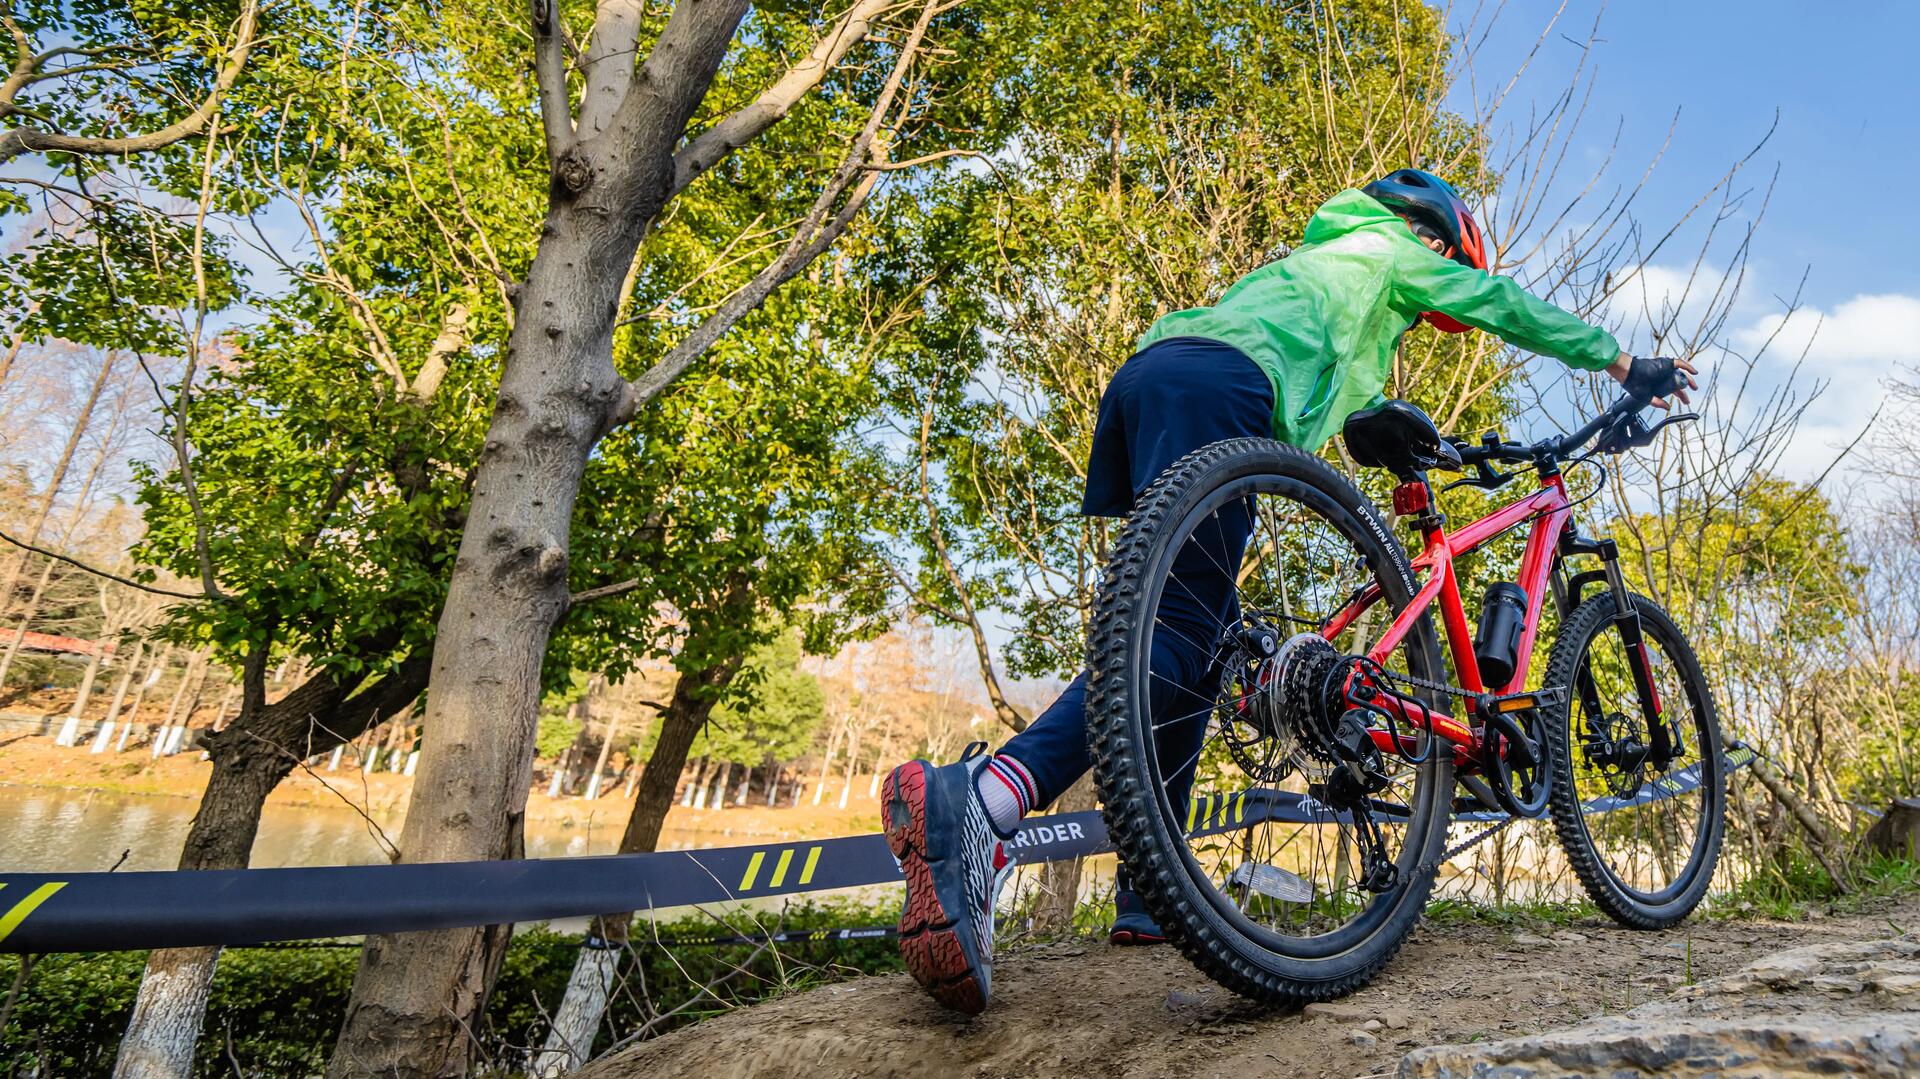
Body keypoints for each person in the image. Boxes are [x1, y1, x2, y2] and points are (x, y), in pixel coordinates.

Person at [880, 168, 1699, 1014]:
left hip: (1154, 376)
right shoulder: (1388, 250)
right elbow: (1506, 305)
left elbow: (1353, 405)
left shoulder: (1315, 269)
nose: (1439, 296)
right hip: (1222, 390)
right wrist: (1623, 359)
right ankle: (982, 801)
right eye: (1447, 266)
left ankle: (1149, 890)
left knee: (1195, 635)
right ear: (1434, 239)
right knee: (1175, 635)